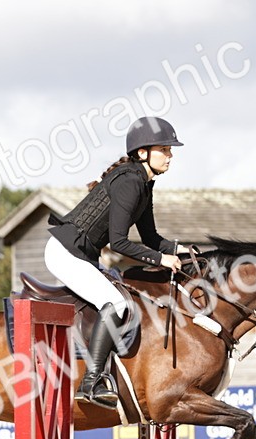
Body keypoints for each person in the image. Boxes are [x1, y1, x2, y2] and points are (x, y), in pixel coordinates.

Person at [44, 116, 185, 409]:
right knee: (117, 304)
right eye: (165, 149)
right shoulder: (130, 182)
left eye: (171, 151)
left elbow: (150, 236)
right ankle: (90, 382)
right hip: (64, 252)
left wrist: (182, 251)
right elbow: (119, 243)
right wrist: (161, 259)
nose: (170, 156)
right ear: (143, 152)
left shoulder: (144, 184)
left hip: (80, 254)